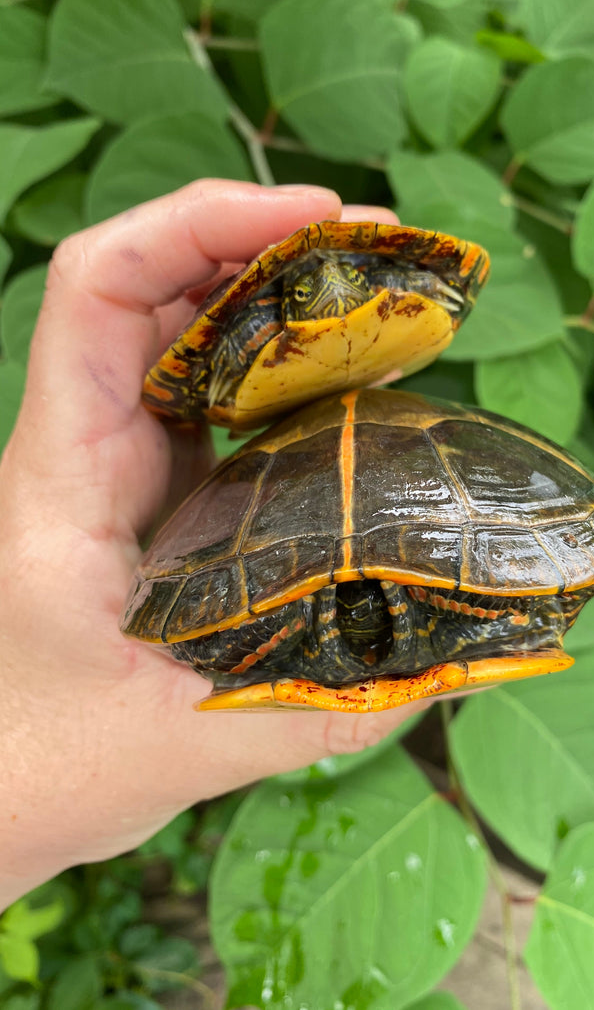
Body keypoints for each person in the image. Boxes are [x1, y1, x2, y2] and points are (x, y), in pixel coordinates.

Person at [0, 180, 428, 911]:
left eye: (349, 278)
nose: (328, 287)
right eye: (307, 289)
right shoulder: (245, 331)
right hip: (267, 450)